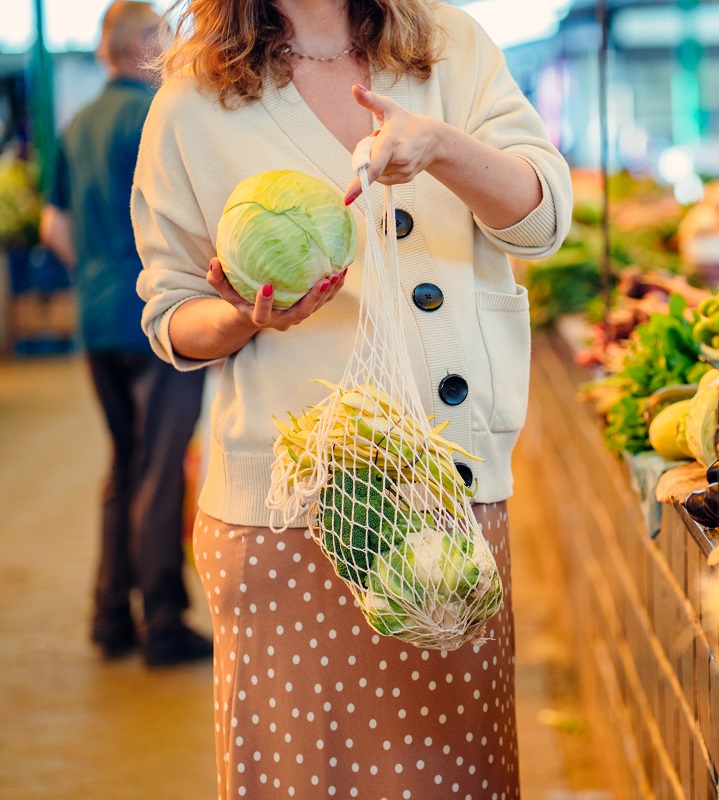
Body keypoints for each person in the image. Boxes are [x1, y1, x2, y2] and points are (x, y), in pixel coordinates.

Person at [132, 0, 571, 796]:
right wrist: (241, 315)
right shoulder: (192, 100)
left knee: (451, 776)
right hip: (290, 513)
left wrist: (440, 147)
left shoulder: (450, 48)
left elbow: (541, 221)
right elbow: (169, 315)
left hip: (445, 497)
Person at [40, 1, 209, 667]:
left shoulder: (76, 125)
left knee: (124, 464)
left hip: (95, 316)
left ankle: (110, 614)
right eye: (163, 37)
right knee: (163, 470)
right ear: (142, 44)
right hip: (153, 320)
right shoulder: (155, 116)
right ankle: (163, 623)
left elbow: (55, 228)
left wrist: (99, 276)